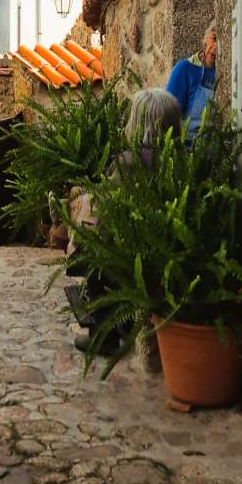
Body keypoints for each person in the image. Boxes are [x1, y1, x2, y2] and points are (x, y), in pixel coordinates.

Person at [66, 88, 182, 355]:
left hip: (130, 254)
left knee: (95, 252)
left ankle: (102, 334)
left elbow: (108, 216)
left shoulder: (129, 165)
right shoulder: (178, 161)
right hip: (163, 249)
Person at [166, 20, 217, 139]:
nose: (216, 47)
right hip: (187, 150)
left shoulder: (228, 74)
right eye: (214, 39)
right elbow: (168, 114)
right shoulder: (185, 69)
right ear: (205, 39)